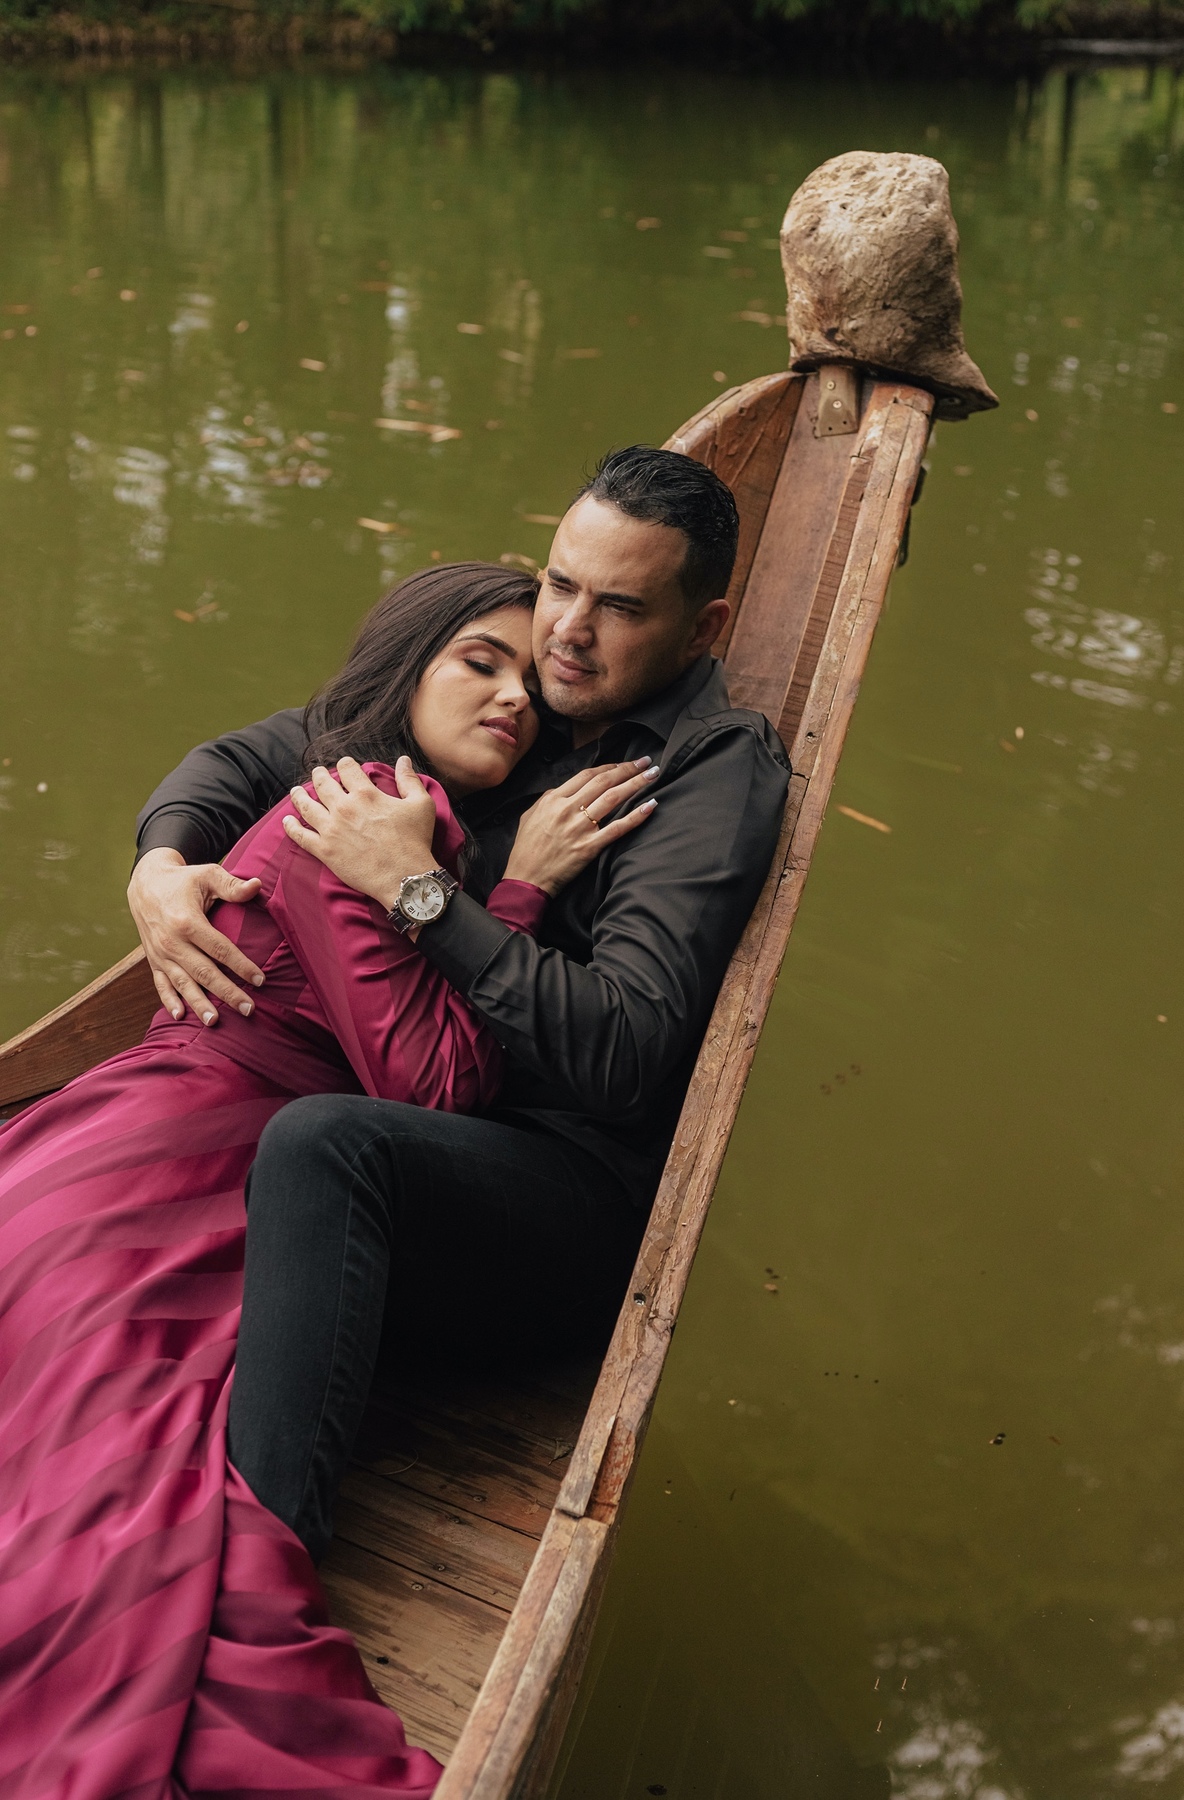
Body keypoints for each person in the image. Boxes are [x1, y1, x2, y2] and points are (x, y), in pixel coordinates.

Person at [0, 562, 652, 1799]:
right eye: (480, 661)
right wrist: (519, 893)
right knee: (118, 1497)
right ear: (407, 669)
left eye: (531, 682)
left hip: (115, 1137)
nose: (515, 697)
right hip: (178, 1162)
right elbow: (434, 1086)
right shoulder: (362, 812)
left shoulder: (385, 803)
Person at [129, 447, 793, 1571]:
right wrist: (159, 865)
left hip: (552, 1199)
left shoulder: (707, 773)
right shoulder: (520, 696)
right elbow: (264, 754)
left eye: (621, 607)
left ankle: (258, 1559)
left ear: (704, 627)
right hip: (408, 1097)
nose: (568, 631)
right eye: (562, 583)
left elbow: (623, 1050)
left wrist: (419, 893)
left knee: (322, 1143)